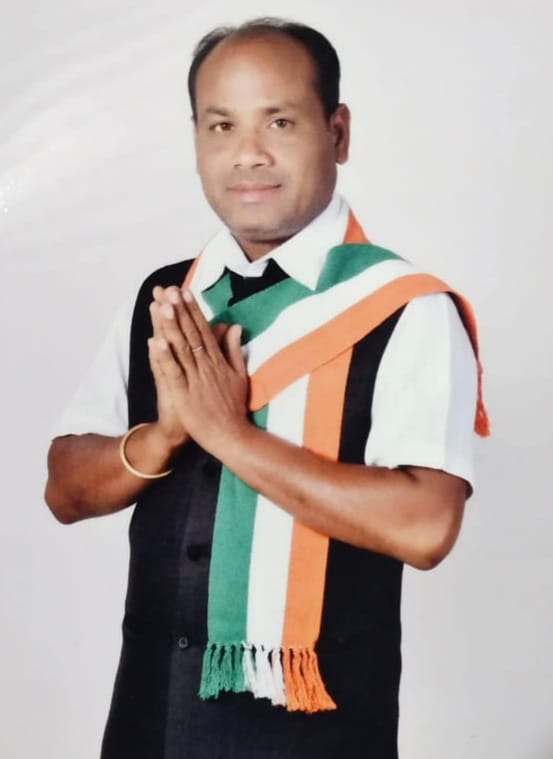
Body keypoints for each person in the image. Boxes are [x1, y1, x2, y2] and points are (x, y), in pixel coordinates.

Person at [45, 17, 488, 759]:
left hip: (314, 733)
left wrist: (230, 436)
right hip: (148, 719)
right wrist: (167, 434)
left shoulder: (405, 308)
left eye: (279, 121)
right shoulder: (168, 297)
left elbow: (424, 527)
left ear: (337, 132)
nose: (247, 153)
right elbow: (64, 489)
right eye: (221, 125)